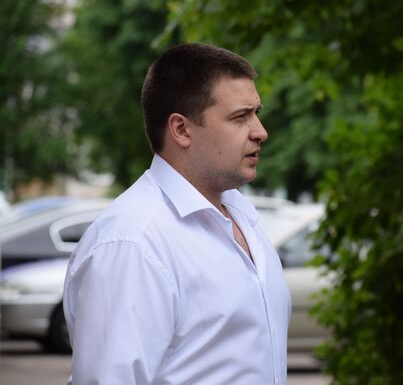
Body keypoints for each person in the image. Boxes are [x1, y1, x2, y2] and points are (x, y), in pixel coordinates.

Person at [63, 43, 291, 384]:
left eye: (257, 112)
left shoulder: (241, 215)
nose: (260, 131)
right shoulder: (133, 242)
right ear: (181, 130)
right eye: (240, 117)